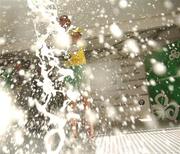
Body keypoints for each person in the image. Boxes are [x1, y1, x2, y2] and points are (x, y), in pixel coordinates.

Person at [58, 15, 94, 138]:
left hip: (80, 66)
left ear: (68, 21)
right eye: (60, 21)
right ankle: (74, 132)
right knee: (71, 100)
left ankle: (90, 129)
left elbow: (76, 39)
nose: (61, 23)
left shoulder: (75, 29)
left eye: (63, 20)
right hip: (68, 68)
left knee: (85, 99)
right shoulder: (60, 35)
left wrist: (65, 36)